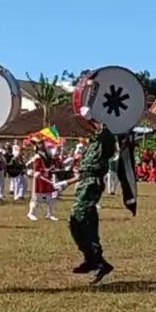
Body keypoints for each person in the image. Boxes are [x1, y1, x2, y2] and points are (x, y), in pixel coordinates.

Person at [65, 87, 119, 283]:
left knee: (78, 217)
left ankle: (94, 259)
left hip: (92, 183)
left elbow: (104, 128)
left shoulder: (106, 137)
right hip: (85, 182)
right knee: (83, 222)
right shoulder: (93, 142)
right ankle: (95, 259)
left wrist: (92, 116)